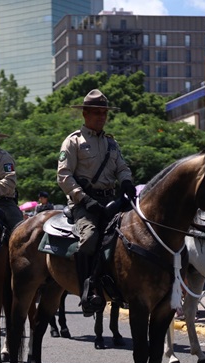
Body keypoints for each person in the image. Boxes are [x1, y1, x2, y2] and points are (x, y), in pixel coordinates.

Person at [57, 89, 135, 315]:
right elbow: (63, 176)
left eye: (104, 113)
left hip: (111, 200)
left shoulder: (112, 143)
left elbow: (122, 167)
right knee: (90, 237)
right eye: (97, 113)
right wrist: (83, 198)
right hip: (85, 204)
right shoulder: (73, 141)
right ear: (85, 114)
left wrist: (127, 181)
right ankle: (87, 289)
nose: (102, 117)